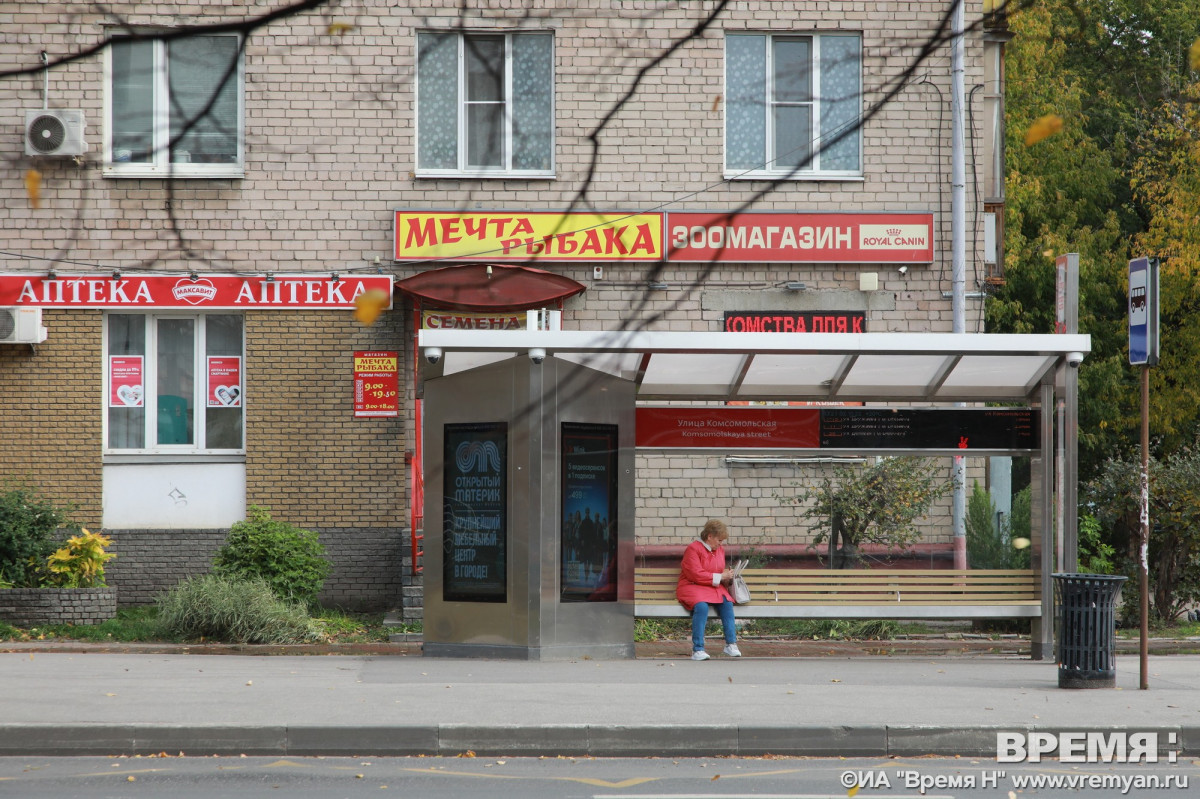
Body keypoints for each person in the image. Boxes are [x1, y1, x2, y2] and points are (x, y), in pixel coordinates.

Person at [675, 519, 741, 661]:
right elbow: (694, 574)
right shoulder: (693, 548)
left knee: (727, 604)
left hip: (712, 587)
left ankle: (731, 644)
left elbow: (716, 570)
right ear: (709, 536)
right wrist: (720, 576)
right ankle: (698, 649)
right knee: (702, 607)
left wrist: (727, 577)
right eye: (719, 540)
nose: (720, 544)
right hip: (692, 586)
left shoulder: (719, 550)